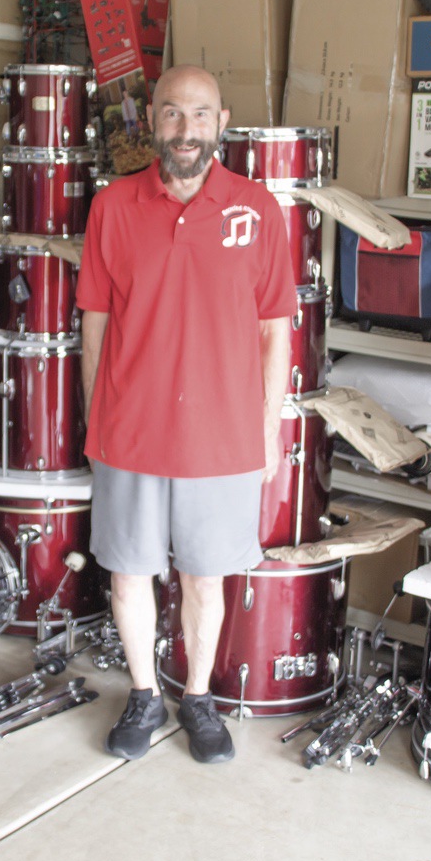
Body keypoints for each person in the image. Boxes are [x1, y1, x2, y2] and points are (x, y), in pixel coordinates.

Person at [77, 65, 295, 764]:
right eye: (172, 114)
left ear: (222, 122)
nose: (186, 130)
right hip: (131, 430)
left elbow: (274, 331)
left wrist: (270, 432)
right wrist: (96, 422)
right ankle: (143, 692)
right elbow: (94, 328)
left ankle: (197, 697)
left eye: (200, 115)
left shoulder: (257, 209)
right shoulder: (112, 206)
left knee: (205, 576)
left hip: (223, 436)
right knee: (129, 572)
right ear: (152, 122)